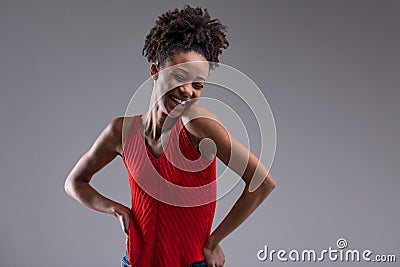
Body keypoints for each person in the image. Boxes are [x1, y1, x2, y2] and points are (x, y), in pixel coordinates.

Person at [64, 5, 276, 267]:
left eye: (198, 85)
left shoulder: (197, 125)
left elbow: (262, 182)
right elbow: (75, 182)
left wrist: (213, 242)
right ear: (155, 72)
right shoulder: (121, 132)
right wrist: (114, 208)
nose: (188, 91)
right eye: (179, 76)